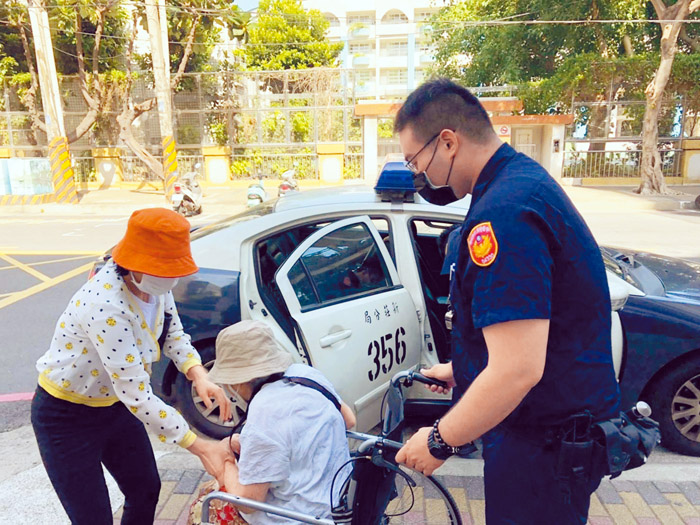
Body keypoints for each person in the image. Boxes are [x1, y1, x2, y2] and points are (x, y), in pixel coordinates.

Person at [394, 79, 621, 524]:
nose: (417, 176)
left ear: (448, 142)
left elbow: (518, 369)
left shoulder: (504, 214)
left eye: (414, 161)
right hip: (549, 437)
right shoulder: (520, 183)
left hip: (542, 445)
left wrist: (441, 440)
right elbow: (535, 333)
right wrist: (466, 369)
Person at [31, 207, 233, 525]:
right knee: (92, 517)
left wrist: (198, 374)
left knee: (145, 489)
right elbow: (138, 396)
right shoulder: (104, 304)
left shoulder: (156, 287)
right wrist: (199, 446)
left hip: (114, 406)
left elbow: (173, 334)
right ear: (135, 264)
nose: (173, 279)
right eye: (164, 270)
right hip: (66, 417)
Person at [195, 320, 355, 524]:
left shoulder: (263, 413)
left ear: (237, 381)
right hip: (339, 500)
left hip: (300, 517)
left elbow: (248, 503)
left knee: (204, 502)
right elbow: (348, 420)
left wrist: (224, 460)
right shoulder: (306, 374)